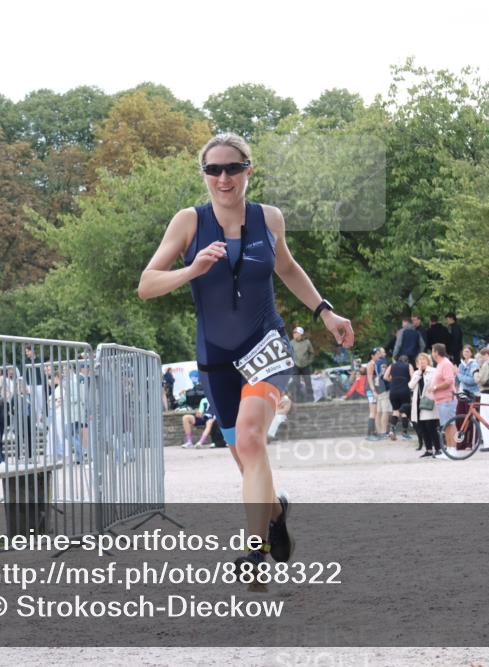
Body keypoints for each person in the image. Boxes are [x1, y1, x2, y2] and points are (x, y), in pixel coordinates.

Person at [137, 133, 354, 574]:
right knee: (243, 454)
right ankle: (275, 512)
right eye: (213, 169)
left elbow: (288, 268)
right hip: (215, 355)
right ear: (204, 175)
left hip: (265, 344)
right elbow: (146, 285)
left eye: (232, 168)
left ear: (247, 171)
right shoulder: (189, 222)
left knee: (253, 440)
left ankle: (256, 553)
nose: (223, 177)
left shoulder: (268, 219)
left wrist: (325, 311)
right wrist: (192, 268)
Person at [409, 352, 443, 458]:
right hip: (418, 403)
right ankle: (428, 449)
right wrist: (418, 375)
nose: (421, 362)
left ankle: (438, 448)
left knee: (431, 426)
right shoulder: (416, 373)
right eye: (419, 360)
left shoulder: (433, 371)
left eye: (423, 359)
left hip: (429, 401)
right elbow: (410, 386)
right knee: (422, 427)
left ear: (428, 360)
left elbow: (436, 384)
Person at [429, 343, 458, 448]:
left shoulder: (445, 363)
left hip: (447, 399)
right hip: (441, 400)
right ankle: (449, 449)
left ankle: (453, 449)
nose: (432, 354)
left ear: (436, 352)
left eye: (432, 351)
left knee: (450, 425)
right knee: (446, 426)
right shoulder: (440, 364)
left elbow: (449, 381)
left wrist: (435, 387)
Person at [384, 354, 414, 440]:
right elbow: (413, 377)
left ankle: (392, 430)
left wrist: (393, 380)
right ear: (407, 361)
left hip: (393, 391)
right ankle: (404, 432)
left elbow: (385, 377)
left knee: (395, 411)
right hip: (404, 390)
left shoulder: (392, 365)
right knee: (404, 412)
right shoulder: (409, 365)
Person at [362, 348, 385, 440]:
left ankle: (373, 433)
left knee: (374, 412)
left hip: (373, 389)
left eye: (379, 354)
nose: (379, 355)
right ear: (372, 355)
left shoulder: (375, 364)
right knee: (372, 411)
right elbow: (370, 378)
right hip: (371, 390)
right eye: (377, 354)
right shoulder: (371, 364)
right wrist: (373, 390)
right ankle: (370, 434)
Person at [289, 326, 315, 402]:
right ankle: (297, 400)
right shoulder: (291, 343)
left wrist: (309, 361)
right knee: (296, 384)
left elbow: (312, 353)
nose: (294, 334)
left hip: (305, 366)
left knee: (308, 383)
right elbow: (288, 354)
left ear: (300, 334)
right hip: (295, 366)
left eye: (295, 333)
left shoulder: (307, 342)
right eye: (294, 333)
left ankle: (311, 400)